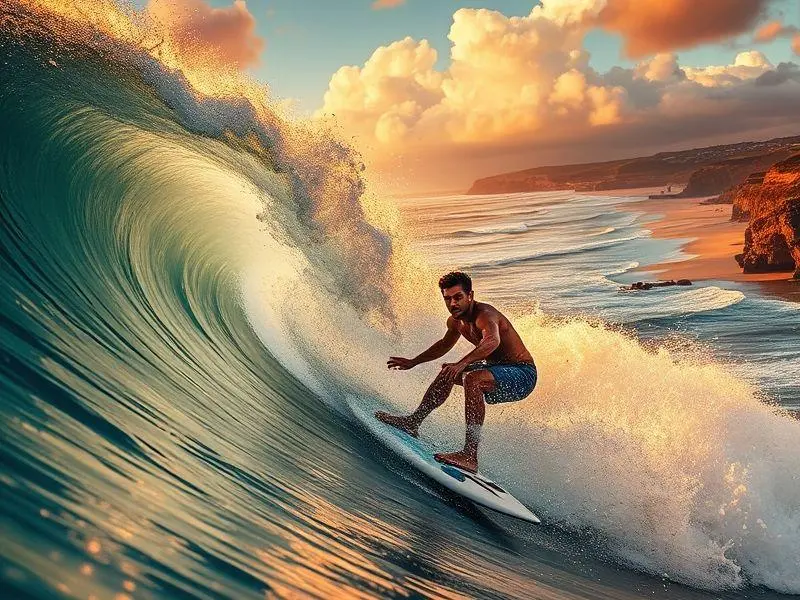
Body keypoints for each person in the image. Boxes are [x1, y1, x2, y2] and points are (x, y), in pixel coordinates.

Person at [376, 271, 537, 473]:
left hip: (522, 374)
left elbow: (492, 341)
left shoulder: (485, 315)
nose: (453, 303)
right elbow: (444, 345)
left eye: (458, 297)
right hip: (496, 370)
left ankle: (470, 455)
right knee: (448, 372)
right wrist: (414, 361)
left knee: (472, 378)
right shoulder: (456, 322)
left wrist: (461, 364)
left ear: (470, 295)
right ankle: (412, 422)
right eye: (448, 299)